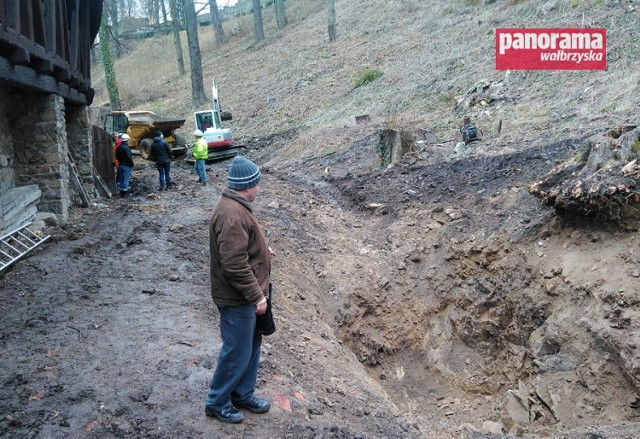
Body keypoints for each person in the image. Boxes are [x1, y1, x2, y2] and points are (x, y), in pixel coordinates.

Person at [205, 155, 273, 424]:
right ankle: (217, 401)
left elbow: (240, 249)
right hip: (238, 298)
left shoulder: (236, 207)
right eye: (257, 184)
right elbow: (233, 264)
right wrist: (256, 295)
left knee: (250, 347)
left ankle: (242, 394)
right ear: (248, 185)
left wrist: (262, 253)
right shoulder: (232, 214)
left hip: (244, 297)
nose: (258, 188)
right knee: (236, 351)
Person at [115, 134, 134, 198]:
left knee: (121, 179)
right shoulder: (126, 148)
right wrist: (132, 164)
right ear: (127, 140)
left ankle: (121, 193)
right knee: (125, 179)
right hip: (126, 166)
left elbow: (117, 156)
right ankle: (125, 193)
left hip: (120, 165)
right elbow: (129, 157)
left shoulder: (118, 147)